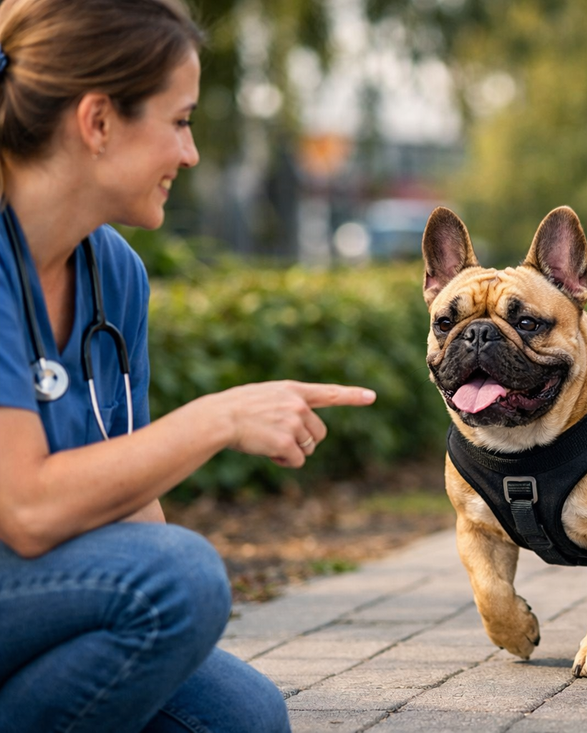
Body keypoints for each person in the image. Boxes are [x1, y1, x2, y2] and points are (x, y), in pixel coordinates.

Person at [0, 0, 376, 729]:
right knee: (179, 577)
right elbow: (27, 509)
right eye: (180, 121)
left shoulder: (116, 275)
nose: (191, 153)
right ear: (99, 122)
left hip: (29, 598)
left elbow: (131, 503)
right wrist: (220, 416)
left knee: (242, 715)